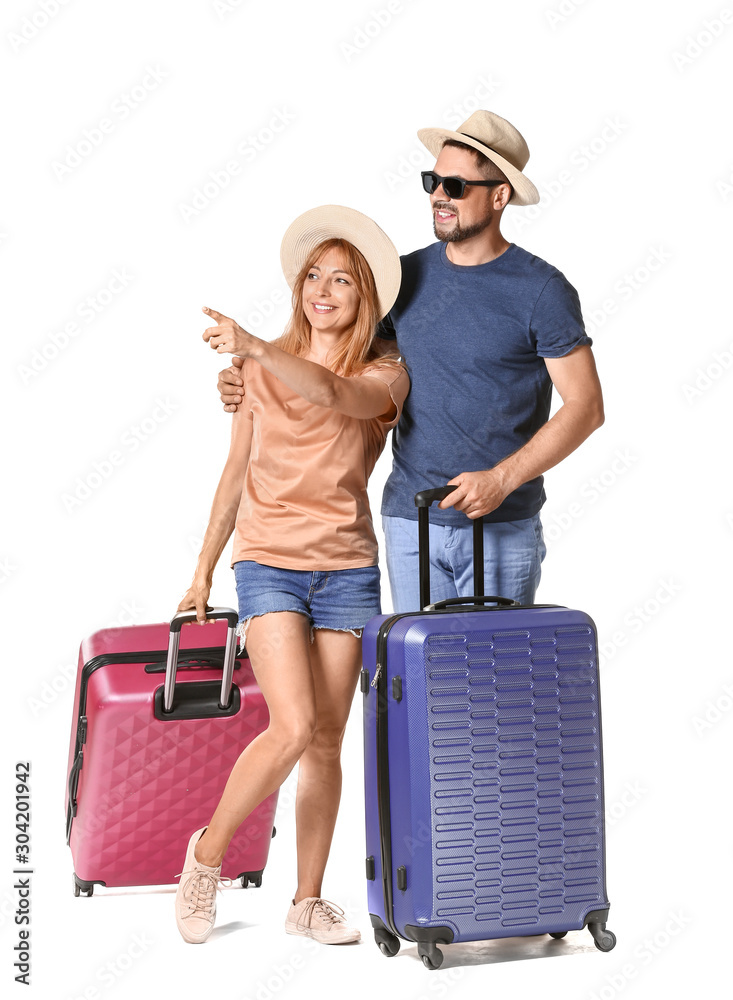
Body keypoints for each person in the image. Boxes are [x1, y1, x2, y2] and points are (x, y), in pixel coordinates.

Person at [217, 111, 604, 612]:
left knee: (491, 685)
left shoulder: (541, 290)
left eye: (456, 185)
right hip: (410, 520)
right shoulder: (403, 278)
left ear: (500, 195)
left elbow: (586, 406)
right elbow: (334, 352)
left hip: (502, 524)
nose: (439, 195)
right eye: (433, 181)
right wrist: (250, 373)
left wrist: (502, 480)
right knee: (422, 685)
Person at [174, 205, 409, 945]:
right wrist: (200, 573)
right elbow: (233, 473)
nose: (324, 289)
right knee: (294, 724)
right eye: (314, 275)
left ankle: (306, 901)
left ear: (364, 296)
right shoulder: (253, 366)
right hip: (269, 560)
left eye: (342, 279)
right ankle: (207, 858)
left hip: (346, 569)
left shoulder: (386, 373)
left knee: (328, 740)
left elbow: (337, 396)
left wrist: (257, 353)